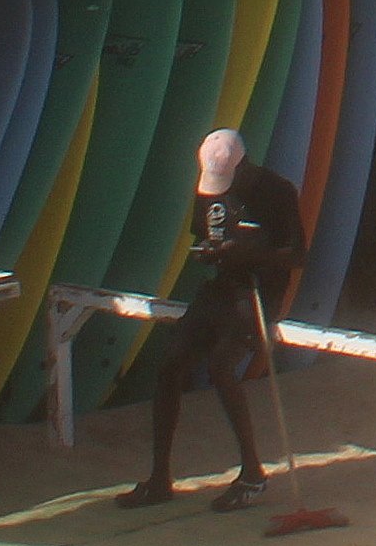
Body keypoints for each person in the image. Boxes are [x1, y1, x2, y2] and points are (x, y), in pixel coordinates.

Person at [122, 124, 306, 507]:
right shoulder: (211, 188)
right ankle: (160, 478)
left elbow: (296, 255)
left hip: (259, 290)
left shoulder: (277, 191)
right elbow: (204, 234)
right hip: (223, 285)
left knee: (222, 367)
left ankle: (252, 473)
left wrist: (253, 254)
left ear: (244, 166)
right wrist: (211, 252)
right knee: (170, 365)